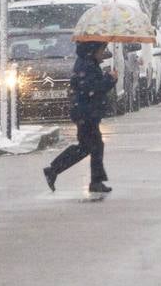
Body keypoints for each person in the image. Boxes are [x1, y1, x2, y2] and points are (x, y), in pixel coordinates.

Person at [43, 40, 117, 194]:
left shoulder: (88, 63)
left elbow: (90, 86)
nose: (104, 54)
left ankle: (94, 180)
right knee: (90, 146)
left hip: (86, 113)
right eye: (102, 50)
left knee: (90, 146)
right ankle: (55, 170)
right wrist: (110, 79)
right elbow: (92, 88)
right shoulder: (87, 65)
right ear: (94, 50)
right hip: (85, 113)